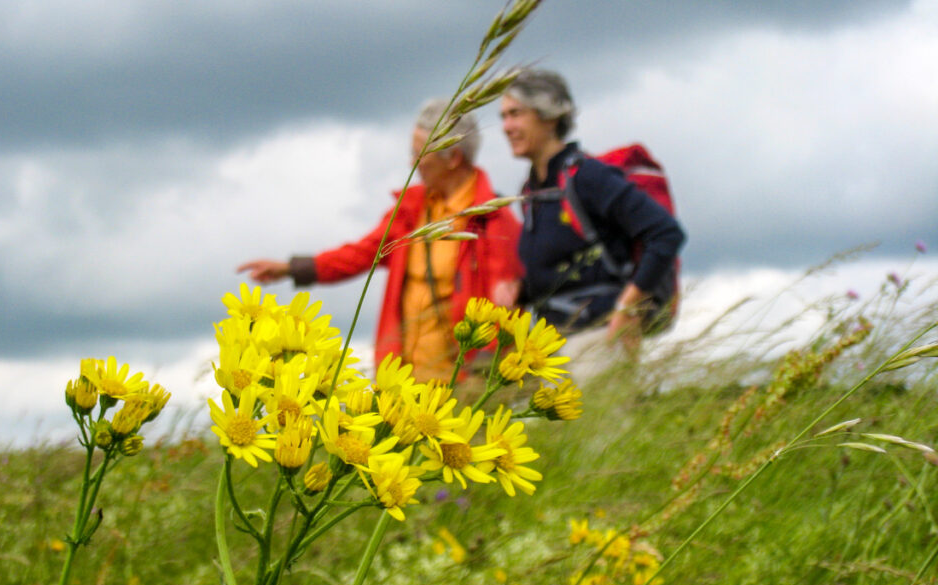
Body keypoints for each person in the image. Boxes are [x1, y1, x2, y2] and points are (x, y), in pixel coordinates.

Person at [237, 100, 522, 382]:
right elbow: (360, 255)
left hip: (463, 383)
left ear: (454, 158)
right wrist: (290, 268)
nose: (412, 162)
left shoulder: (495, 222)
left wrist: (483, 376)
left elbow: (503, 309)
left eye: (418, 152)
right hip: (401, 380)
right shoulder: (409, 210)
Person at [500, 69, 685, 356]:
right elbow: (569, 269)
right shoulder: (534, 191)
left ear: (549, 115)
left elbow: (665, 233)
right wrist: (521, 290)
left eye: (516, 114)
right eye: (504, 117)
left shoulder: (586, 176)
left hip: (600, 339)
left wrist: (626, 308)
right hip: (552, 344)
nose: (506, 126)